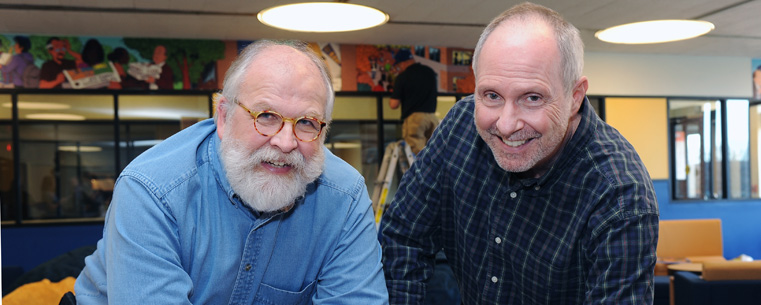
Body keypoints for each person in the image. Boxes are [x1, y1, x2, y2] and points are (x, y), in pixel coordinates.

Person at [379, 2, 659, 304]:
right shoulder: (460, 127)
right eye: (492, 96)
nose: (506, 124)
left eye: (532, 97)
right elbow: (403, 237)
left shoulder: (620, 196)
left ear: (575, 96)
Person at [74, 40, 388, 304]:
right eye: (266, 116)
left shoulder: (345, 198)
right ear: (222, 116)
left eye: (307, 122)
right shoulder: (151, 190)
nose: (285, 142)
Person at [389, 62, 439, 154]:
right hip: (432, 117)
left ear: (402, 63)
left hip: (415, 119)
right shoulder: (430, 72)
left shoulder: (403, 77)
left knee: (415, 152)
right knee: (433, 150)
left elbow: (394, 104)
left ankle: (420, 168)